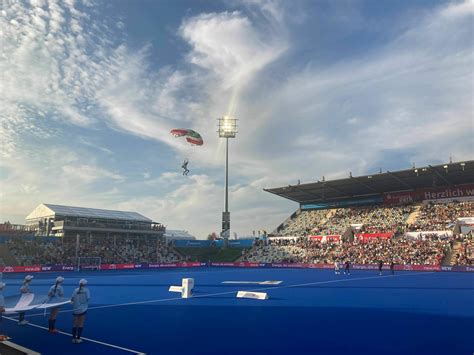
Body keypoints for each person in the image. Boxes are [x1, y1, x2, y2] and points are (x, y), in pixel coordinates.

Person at [71, 279, 90, 344]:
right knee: (81, 324)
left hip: (75, 309)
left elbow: (72, 299)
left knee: (74, 324)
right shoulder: (86, 290)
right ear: (85, 284)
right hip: (83, 309)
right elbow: (88, 298)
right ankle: (78, 338)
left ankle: (73, 338)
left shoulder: (75, 290)